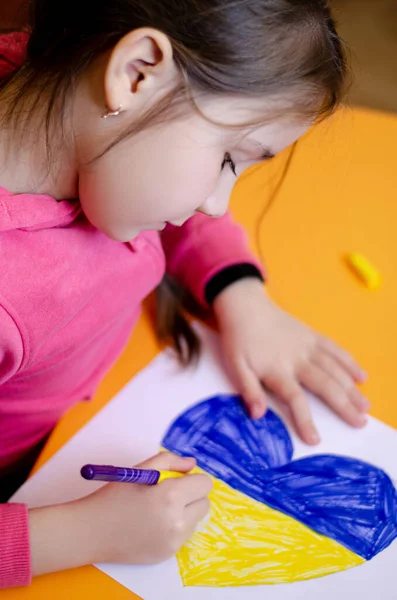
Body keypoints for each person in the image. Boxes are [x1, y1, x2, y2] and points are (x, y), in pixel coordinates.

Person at [0, 0, 370, 589]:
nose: (218, 202)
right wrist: (78, 535)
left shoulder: (57, 95)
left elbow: (155, 181)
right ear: (137, 72)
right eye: (227, 158)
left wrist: (238, 290)